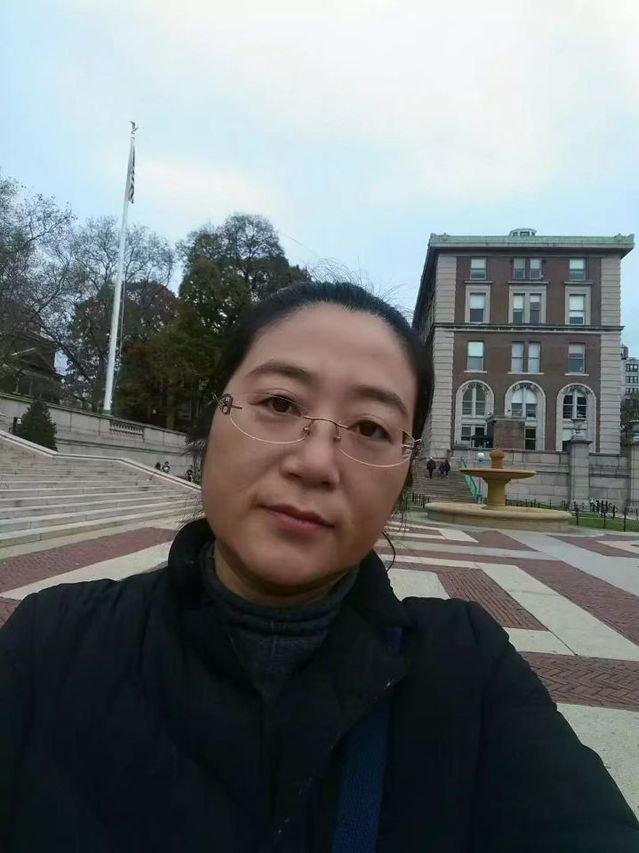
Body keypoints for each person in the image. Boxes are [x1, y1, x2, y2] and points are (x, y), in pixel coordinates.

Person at [1, 282, 637, 852]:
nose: (315, 463)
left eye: (371, 428)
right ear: (212, 421)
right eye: (280, 403)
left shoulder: (468, 674)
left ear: (404, 476)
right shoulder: (51, 642)